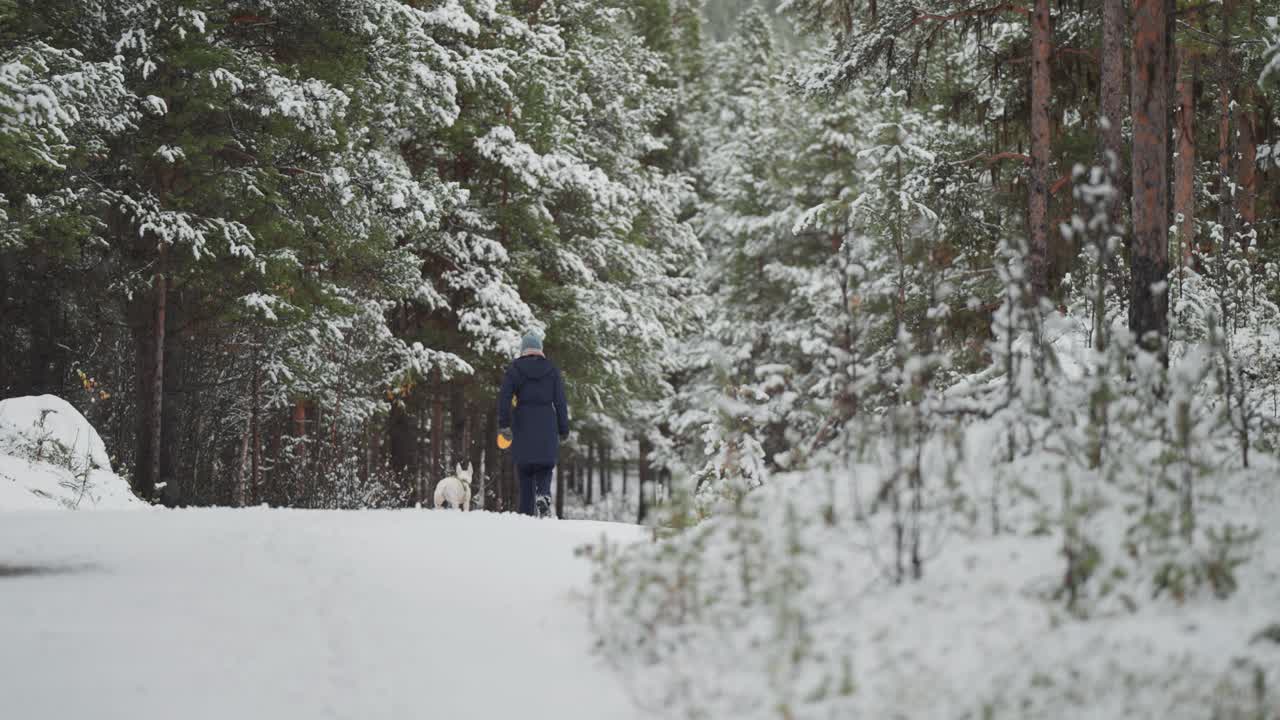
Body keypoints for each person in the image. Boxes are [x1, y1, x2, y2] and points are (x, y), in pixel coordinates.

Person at [497, 332, 569, 517]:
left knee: (525, 470)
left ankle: (526, 515)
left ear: (523, 349)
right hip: (547, 423)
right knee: (545, 467)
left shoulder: (515, 369)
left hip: (523, 423)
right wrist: (563, 428)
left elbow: (504, 397)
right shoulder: (552, 370)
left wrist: (504, 424)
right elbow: (560, 401)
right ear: (540, 349)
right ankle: (543, 495)